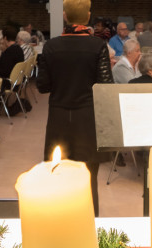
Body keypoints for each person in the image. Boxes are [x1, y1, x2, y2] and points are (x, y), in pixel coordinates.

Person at [37, 0, 113, 216]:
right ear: (88, 16)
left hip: (59, 118)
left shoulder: (51, 46)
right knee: (89, 176)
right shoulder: (97, 46)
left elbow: (42, 86)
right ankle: (90, 222)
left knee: (57, 171)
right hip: (87, 119)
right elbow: (105, 86)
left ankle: (59, 220)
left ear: (65, 16)